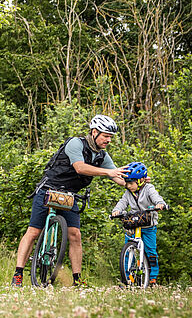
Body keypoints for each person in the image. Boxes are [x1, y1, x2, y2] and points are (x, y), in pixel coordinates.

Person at [11, 115, 128, 287]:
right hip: (49, 189)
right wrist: (107, 173)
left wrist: (137, 183)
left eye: (111, 137)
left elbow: (117, 177)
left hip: (70, 195)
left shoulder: (102, 156)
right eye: (105, 136)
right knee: (34, 232)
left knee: (75, 235)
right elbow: (79, 167)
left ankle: (77, 280)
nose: (109, 140)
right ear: (94, 132)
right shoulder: (75, 143)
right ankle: (18, 274)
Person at [111, 162, 167, 285]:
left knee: (151, 251)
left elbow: (156, 197)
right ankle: (127, 279)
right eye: (127, 183)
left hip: (148, 226)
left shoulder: (149, 188)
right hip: (133, 224)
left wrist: (159, 204)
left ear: (141, 180)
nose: (129, 186)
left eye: (131, 183)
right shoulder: (128, 193)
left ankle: (152, 278)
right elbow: (122, 202)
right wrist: (116, 211)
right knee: (128, 251)